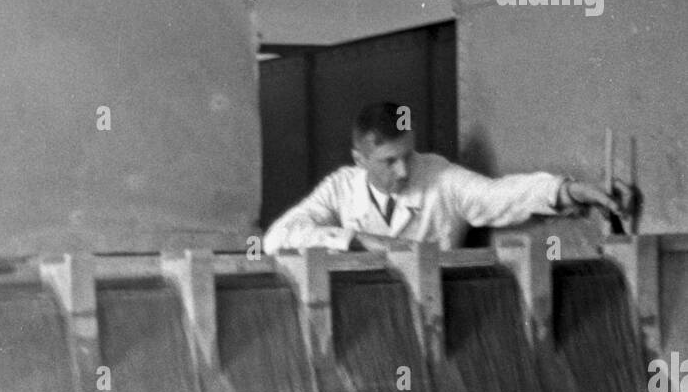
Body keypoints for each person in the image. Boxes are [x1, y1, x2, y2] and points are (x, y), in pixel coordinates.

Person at [262, 101, 626, 255]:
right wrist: (361, 241)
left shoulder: (439, 177)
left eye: (408, 155)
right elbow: (277, 238)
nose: (404, 170)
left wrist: (572, 190)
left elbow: (502, 196)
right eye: (389, 162)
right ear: (360, 159)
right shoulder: (341, 186)